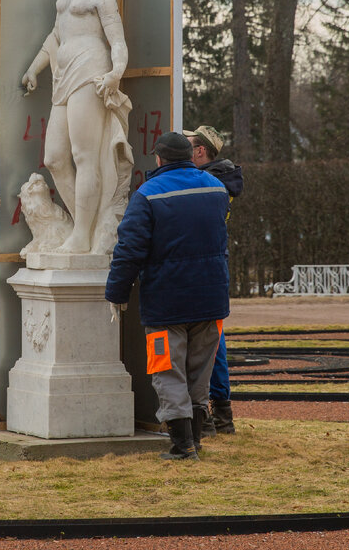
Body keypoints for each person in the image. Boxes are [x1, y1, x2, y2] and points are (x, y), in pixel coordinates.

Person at [104, 133, 230, 461]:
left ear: (159, 159)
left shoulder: (147, 195)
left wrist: (116, 292)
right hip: (210, 300)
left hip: (166, 303)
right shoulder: (216, 189)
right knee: (199, 373)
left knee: (167, 371)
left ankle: (182, 446)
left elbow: (129, 249)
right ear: (190, 155)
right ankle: (197, 438)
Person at [21, 0, 133, 255]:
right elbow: (55, 36)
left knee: (85, 157)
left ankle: (83, 236)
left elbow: (118, 42)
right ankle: (89, 226)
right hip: (63, 74)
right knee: (55, 157)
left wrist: (115, 73)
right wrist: (33, 68)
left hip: (90, 71)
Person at [185, 125, 243, 435]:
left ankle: (213, 417)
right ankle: (218, 416)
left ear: (200, 151)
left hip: (203, 271)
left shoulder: (212, 184)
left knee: (213, 345)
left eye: (189, 145)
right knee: (212, 343)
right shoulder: (220, 181)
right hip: (210, 270)